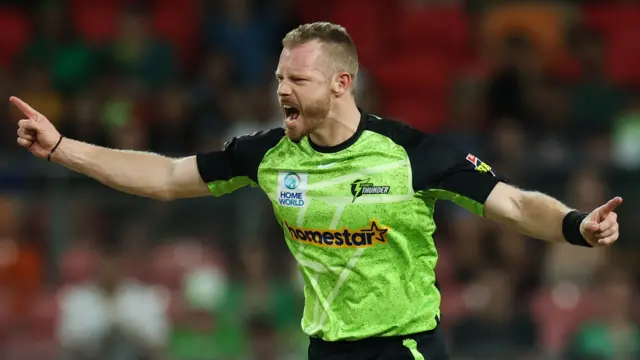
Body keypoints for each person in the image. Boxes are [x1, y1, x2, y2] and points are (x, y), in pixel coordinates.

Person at [12, 22, 622, 360]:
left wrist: (575, 225)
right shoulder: (269, 154)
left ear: (341, 83)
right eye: (278, 77)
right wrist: (65, 148)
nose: (281, 91)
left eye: (296, 79)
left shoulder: (411, 153)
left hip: (402, 350)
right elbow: (169, 178)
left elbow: (512, 203)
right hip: (324, 353)